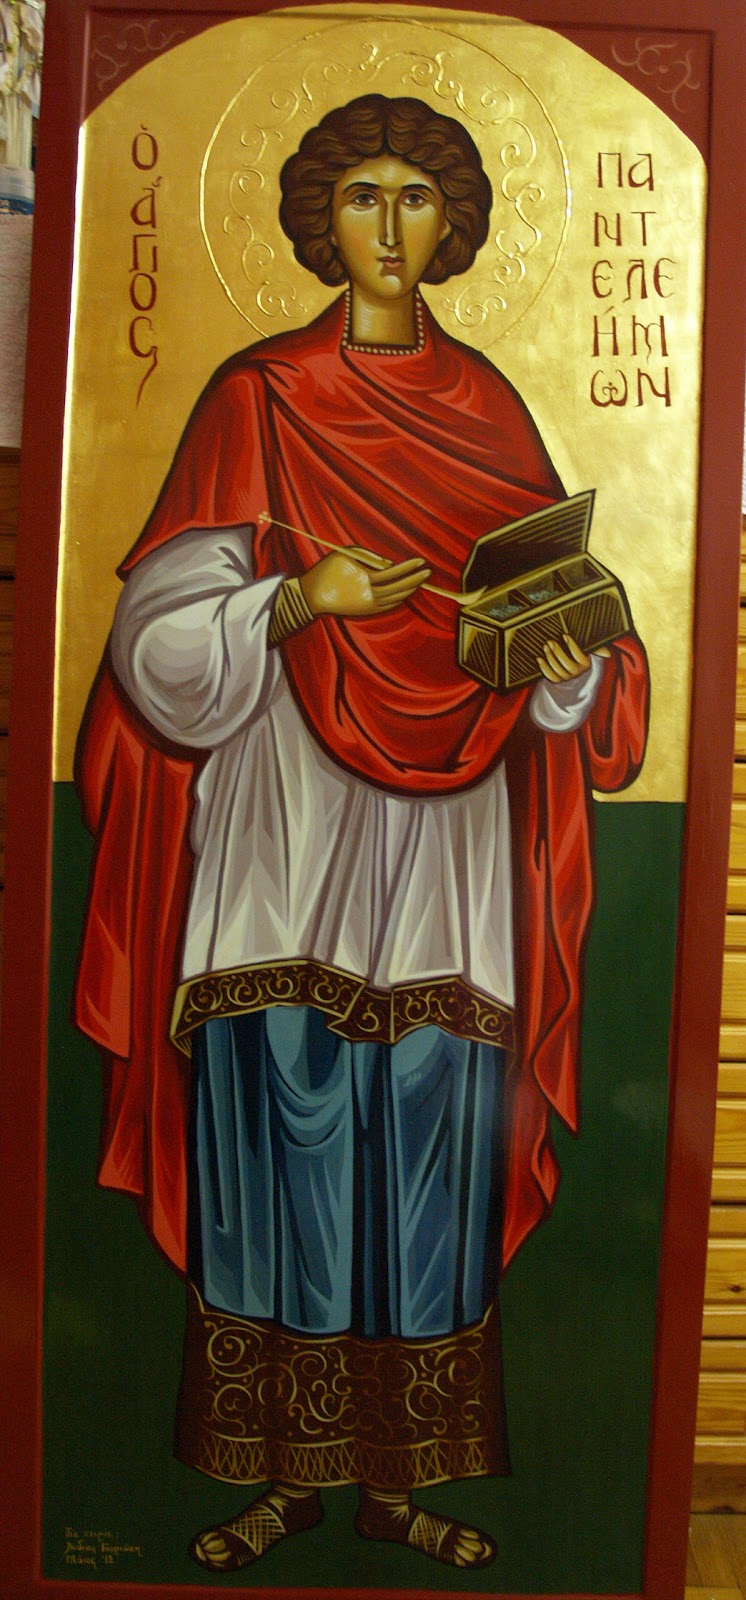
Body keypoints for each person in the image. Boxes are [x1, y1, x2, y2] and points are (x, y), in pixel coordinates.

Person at [74, 93, 649, 1575]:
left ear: (454, 223)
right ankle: (277, 1479)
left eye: (416, 197)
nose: (389, 227)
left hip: (449, 852)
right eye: (361, 196)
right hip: (285, 828)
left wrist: (563, 658)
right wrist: (294, 600)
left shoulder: (491, 413)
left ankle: (400, 1487)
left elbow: (569, 635)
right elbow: (155, 640)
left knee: (431, 1150)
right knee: (281, 1138)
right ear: (317, 220)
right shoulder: (256, 398)